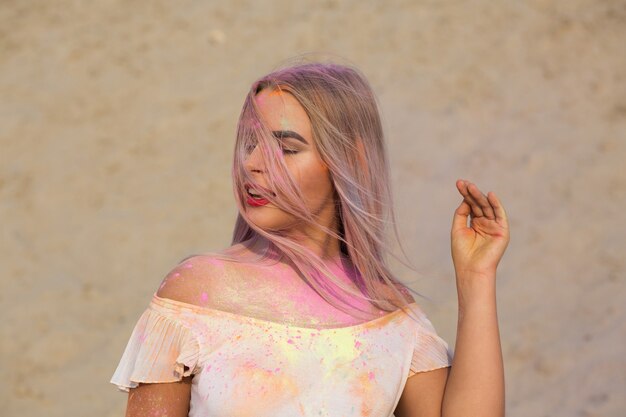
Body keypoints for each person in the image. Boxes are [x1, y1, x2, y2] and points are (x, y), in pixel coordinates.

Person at [110, 60, 509, 417]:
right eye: (251, 144)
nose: (252, 164)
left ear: (349, 159)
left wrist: (476, 278)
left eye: (285, 148)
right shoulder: (196, 293)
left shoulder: (390, 315)